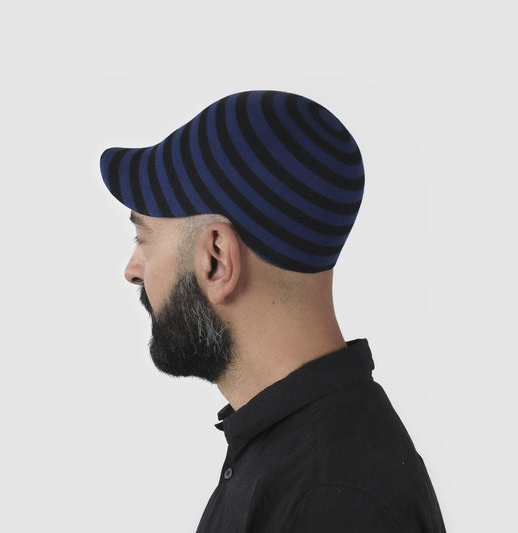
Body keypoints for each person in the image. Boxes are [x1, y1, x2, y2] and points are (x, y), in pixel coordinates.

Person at [99, 90, 447, 532]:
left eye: (143, 239)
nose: (133, 271)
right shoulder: (299, 455)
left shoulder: (328, 499)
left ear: (215, 259)